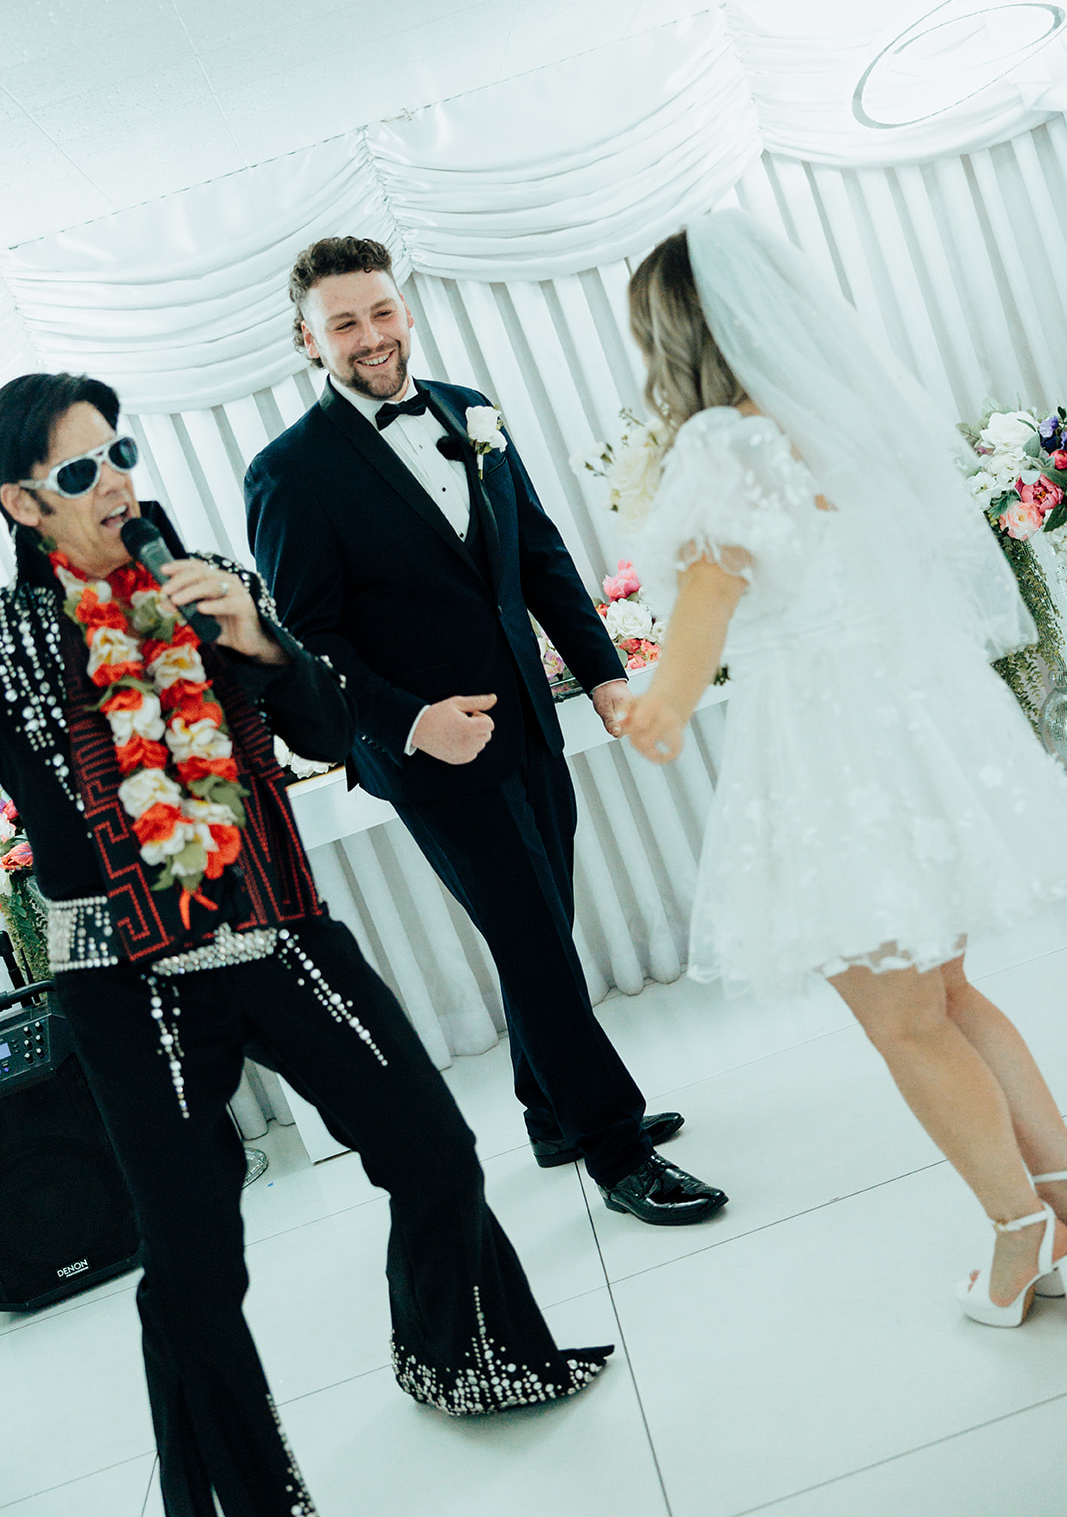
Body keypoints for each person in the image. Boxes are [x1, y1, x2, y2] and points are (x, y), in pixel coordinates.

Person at [0, 371, 615, 1517]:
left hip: (281, 932)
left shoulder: (207, 585)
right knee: (193, 1260)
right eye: (81, 471)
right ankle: (238, 1498)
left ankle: (458, 1353)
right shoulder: (7, 648)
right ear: (22, 506)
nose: (118, 480)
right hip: (128, 983)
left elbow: (329, 733)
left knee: (434, 1148)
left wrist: (260, 640)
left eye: (119, 450)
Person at [620, 210, 1067, 1327]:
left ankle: (1018, 1245)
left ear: (681, 332)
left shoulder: (723, 440)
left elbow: (715, 587)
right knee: (950, 994)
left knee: (904, 1020)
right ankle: (1057, 1211)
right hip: (904, 730)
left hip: (823, 751)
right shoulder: (835, 421)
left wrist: (658, 703)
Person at [244, 236, 726, 1226]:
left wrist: (600, 676)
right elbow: (306, 634)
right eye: (344, 323)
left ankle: (546, 1108)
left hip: (530, 727)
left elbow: (539, 556)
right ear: (308, 340)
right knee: (536, 943)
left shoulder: (468, 411)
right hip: (431, 757)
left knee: (539, 926)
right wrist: (413, 721)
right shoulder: (288, 472)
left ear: (403, 309)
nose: (370, 335)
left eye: (381, 311)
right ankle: (613, 1145)